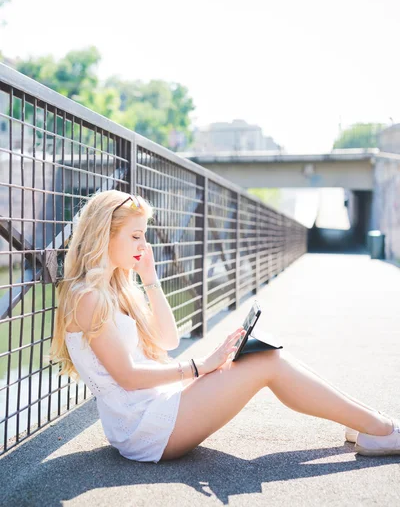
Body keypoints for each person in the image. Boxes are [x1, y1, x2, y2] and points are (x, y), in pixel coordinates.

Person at [49, 190, 400, 464]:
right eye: (136, 236)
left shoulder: (116, 288)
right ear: (104, 236)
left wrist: (150, 278)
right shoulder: (87, 297)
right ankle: (378, 428)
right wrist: (201, 366)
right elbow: (126, 376)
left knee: (264, 351)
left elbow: (168, 340)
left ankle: (366, 422)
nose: (145, 245)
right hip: (145, 429)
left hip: (158, 408)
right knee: (266, 362)